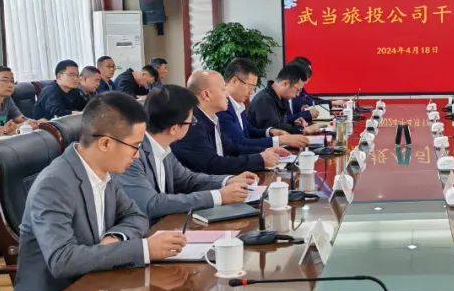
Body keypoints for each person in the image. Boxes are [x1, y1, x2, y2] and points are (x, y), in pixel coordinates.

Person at [12, 93, 189, 291]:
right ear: (105, 143)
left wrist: (116, 237)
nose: (137, 156)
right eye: (135, 146)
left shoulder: (104, 172)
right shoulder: (54, 184)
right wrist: (144, 249)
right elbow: (62, 260)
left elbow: (135, 215)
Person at [118, 84, 252, 222]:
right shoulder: (133, 155)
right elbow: (151, 204)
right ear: (174, 128)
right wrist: (218, 196)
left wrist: (227, 180)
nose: (193, 124)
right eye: (191, 121)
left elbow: (186, 179)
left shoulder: (163, 147)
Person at [173, 70, 281, 174]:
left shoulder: (211, 117)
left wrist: (266, 151)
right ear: (206, 95)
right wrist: (259, 159)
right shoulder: (191, 124)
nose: (227, 95)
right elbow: (212, 165)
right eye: (223, 89)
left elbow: (232, 149)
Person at [217, 59, 310, 152]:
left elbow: (248, 130)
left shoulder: (238, 104)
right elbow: (239, 143)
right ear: (234, 81)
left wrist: (270, 132)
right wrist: (280, 140)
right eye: (250, 87)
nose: (252, 92)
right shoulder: (221, 107)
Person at [248, 63, 324, 135]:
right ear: (285, 84)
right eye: (297, 90)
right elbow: (275, 130)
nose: (297, 95)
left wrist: (293, 123)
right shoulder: (264, 100)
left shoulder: (281, 98)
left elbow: (281, 123)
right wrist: (303, 130)